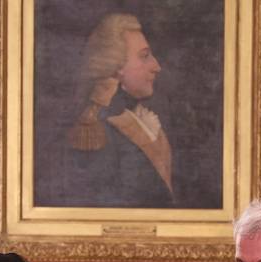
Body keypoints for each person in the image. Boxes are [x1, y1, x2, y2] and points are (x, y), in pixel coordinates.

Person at [57, 12, 174, 208]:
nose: (156, 66)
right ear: (117, 67)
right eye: (144, 56)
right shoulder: (98, 128)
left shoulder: (137, 117)